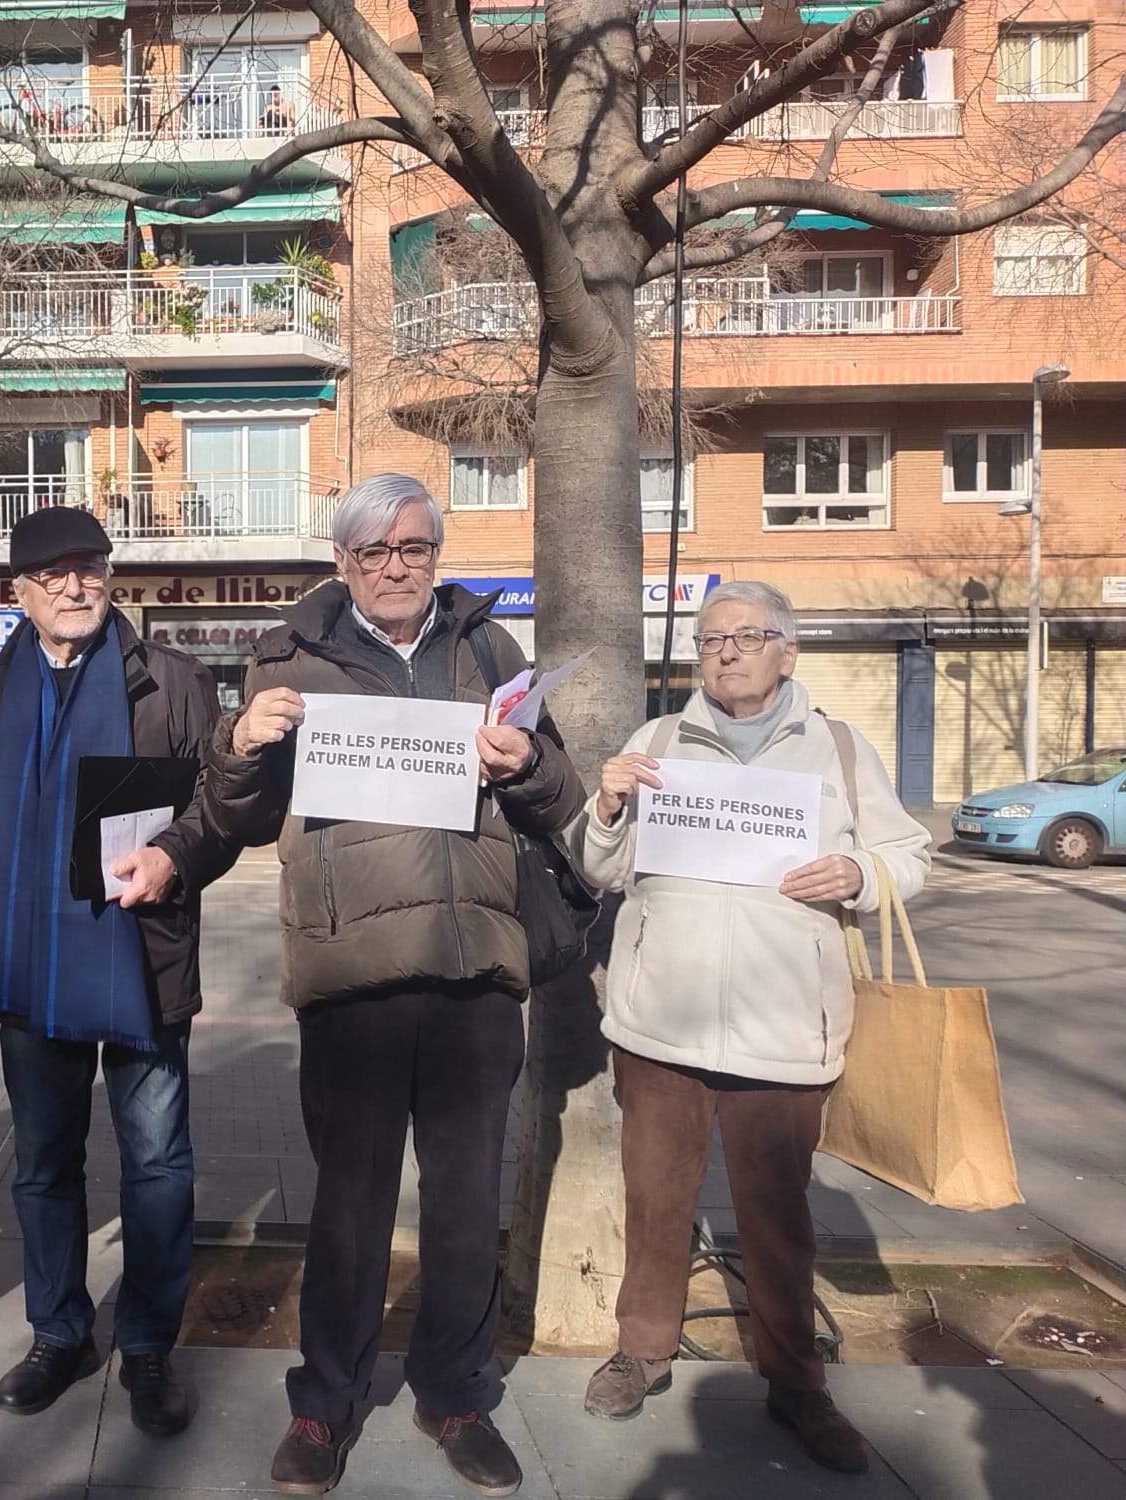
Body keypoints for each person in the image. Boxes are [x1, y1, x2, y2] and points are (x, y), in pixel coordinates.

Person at [202, 472, 587, 1497]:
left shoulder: (490, 651)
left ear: (435, 555)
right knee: (349, 1206)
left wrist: (526, 766)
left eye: (412, 548)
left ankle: (453, 1393)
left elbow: (561, 795)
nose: (394, 568)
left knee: (464, 1206)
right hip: (353, 976)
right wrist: (238, 745)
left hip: (474, 975)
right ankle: (324, 1405)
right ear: (341, 563)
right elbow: (238, 816)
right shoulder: (285, 658)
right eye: (372, 552)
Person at [573, 580, 931, 1474]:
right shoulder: (657, 741)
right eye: (711, 639)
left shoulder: (839, 750)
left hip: (784, 1031)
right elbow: (596, 868)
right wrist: (606, 808)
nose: (726, 652)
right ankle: (641, 1350)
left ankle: (796, 1383)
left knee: (778, 1218)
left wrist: (857, 873)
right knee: (655, 1202)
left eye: (747, 636)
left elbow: (909, 857)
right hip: (660, 1026)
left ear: (788, 651)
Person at [0, 508, 239, 1436]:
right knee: (42, 1165)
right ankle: (59, 1333)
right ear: (20, 594)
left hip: (143, 962)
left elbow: (224, 808)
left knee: (158, 1166)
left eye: (91, 568)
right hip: (29, 969)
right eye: (54, 574)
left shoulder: (172, 683)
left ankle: (147, 1345)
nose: (76, 587)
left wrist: (175, 858)